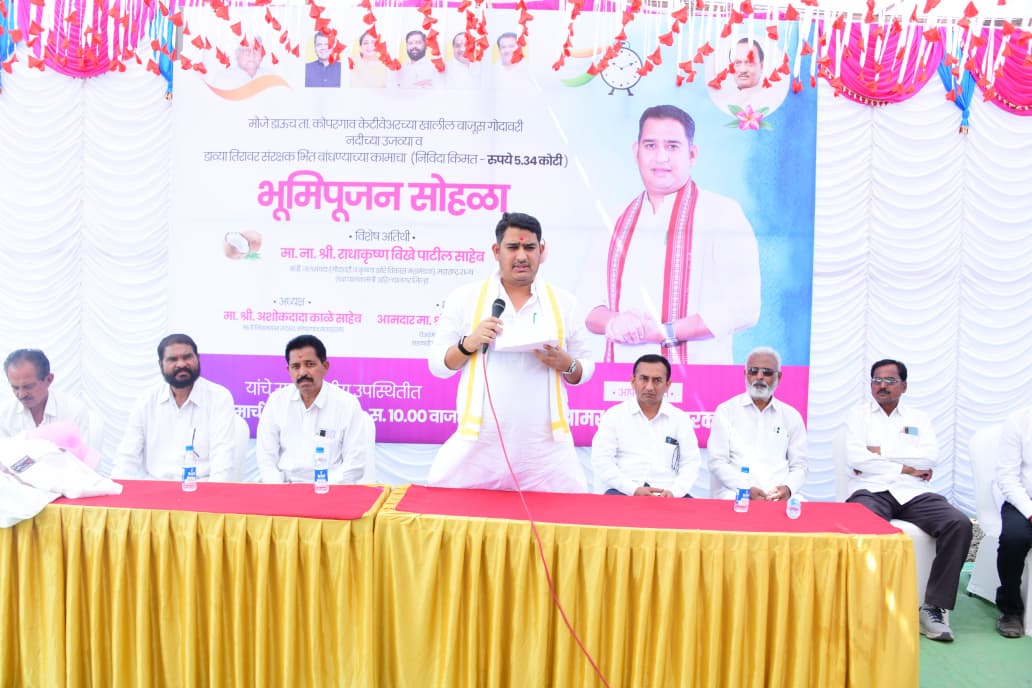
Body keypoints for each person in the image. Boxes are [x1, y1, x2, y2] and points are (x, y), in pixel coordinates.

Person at [428, 212, 594, 492]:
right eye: (513, 247)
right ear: (497, 251)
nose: (521, 256)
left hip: (544, 448)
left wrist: (567, 364)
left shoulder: (565, 303)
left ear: (542, 251)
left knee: (566, 510)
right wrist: (469, 343)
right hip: (479, 444)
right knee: (447, 504)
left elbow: (586, 367)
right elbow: (438, 365)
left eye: (529, 247)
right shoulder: (466, 298)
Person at [585, 104, 760, 364]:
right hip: (623, 376)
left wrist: (664, 332)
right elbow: (587, 307)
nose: (660, 157)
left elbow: (744, 307)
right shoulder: (613, 219)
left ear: (692, 154)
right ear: (636, 151)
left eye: (672, 146)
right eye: (650, 145)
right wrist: (615, 322)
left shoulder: (721, 213)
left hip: (698, 375)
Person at [843, 358, 972, 642]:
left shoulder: (919, 418)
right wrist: (905, 466)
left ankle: (933, 607)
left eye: (890, 381)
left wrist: (879, 453)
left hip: (914, 491)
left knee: (959, 524)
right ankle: (866, 606)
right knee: (861, 525)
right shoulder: (857, 415)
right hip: (871, 489)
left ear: (904, 386)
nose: (882, 386)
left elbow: (931, 457)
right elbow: (854, 457)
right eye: (876, 380)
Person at [113, 334, 237, 481]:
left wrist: (213, 493)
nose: (181, 364)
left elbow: (222, 458)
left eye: (187, 357)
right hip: (156, 487)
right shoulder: (146, 400)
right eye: (173, 359)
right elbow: (127, 456)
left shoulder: (219, 397)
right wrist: (117, 489)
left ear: (198, 358)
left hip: (202, 486)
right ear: (161, 365)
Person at [255, 334, 374, 483]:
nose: (302, 372)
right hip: (284, 487)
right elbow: (266, 459)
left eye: (310, 364)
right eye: (295, 367)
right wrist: (277, 488)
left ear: (325, 366)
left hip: (330, 489)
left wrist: (321, 487)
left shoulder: (347, 404)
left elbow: (354, 466)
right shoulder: (276, 401)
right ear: (288, 370)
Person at [591, 354, 700, 497]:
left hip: (668, 493)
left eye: (657, 380)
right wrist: (633, 489)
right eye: (644, 379)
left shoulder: (680, 419)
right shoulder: (614, 415)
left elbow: (691, 463)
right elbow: (602, 461)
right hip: (624, 492)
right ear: (633, 381)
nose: (649, 387)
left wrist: (674, 492)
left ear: (668, 385)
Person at [708, 346, 806, 500]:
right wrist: (745, 489)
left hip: (778, 495)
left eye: (767, 372)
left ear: (779, 377)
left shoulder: (791, 416)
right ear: (745, 374)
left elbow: (799, 465)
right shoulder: (726, 411)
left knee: (800, 505)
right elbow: (717, 461)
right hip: (736, 493)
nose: (759, 377)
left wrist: (787, 489)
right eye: (753, 371)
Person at [995, 406, 1032, 638]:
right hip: (1023, 500)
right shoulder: (1019, 421)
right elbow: (1007, 477)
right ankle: (1011, 609)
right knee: (1014, 539)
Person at [0, 349, 90, 439]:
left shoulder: (74, 411)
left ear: (49, 380)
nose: (21, 395)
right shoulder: (4, 415)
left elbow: (79, 448)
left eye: (28, 387)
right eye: (15, 388)